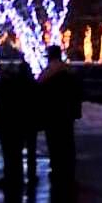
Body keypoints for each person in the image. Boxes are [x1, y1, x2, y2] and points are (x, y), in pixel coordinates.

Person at [37, 46, 82, 183]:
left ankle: (57, 170)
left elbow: (41, 97)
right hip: (66, 115)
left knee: (55, 144)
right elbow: (77, 95)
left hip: (52, 116)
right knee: (67, 142)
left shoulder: (47, 76)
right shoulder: (69, 74)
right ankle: (68, 171)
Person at [0, 61, 38, 188]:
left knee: (11, 153)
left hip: (10, 124)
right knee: (25, 151)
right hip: (26, 122)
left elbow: (0, 105)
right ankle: (29, 175)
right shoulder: (32, 85)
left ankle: (12, 177)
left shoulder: (7, 87)